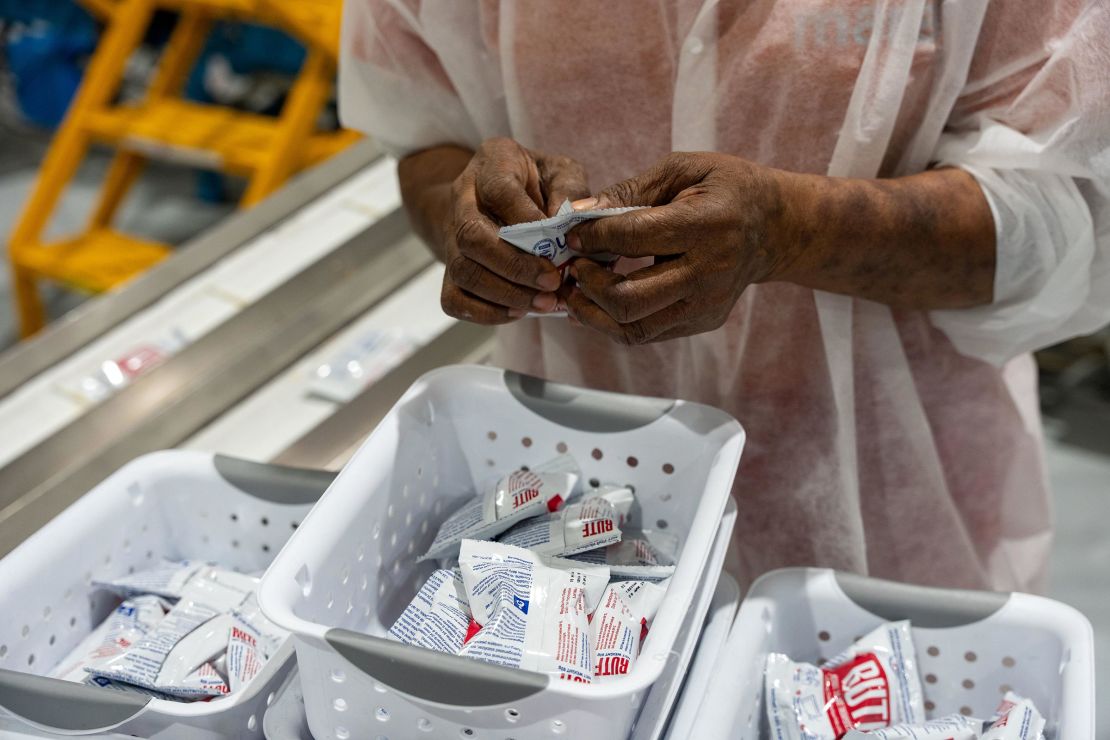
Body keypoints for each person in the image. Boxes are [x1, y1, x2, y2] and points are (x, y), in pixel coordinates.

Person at [339, 1, 1110, 592]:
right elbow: (425, 125)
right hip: (576, 476)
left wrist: (794, 230)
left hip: (891, 495)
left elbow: (1065, 217)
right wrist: (470, 218)